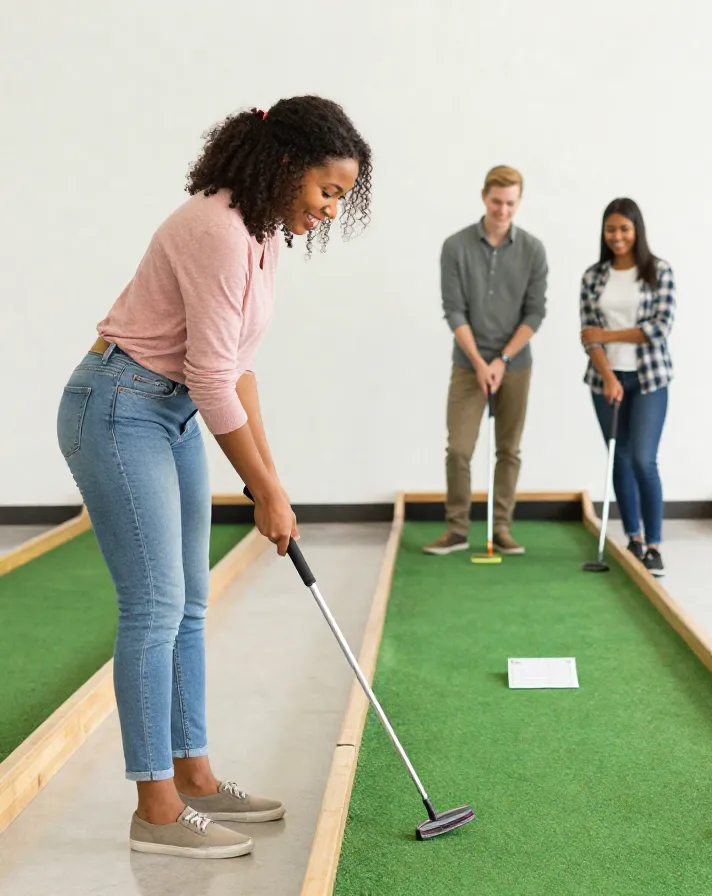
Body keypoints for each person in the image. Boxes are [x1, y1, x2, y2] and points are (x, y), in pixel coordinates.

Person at [56, 97, 373, 859]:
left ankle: (194, 775)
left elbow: (238, 370)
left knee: (190, 602)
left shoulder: (261, 237)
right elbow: (208, 376)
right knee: (155, 604)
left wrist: (275, 483)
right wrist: (262, 490)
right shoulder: (217, 230)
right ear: (288, 167)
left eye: (341, 197)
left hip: (169, 413)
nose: (330, 210)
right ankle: (155, 809)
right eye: (327, 191)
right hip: (117, 406)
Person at [423, 166, 548, 557]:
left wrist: (503, 359)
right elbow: (454, 310)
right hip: (468, 363)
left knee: (508, 449)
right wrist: (480, 362)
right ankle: (457, 530)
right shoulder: (455, 247)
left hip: (516, 364)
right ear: (484, 197)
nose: (502, 210)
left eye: (510, 203)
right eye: (497, 201)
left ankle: (502, 529)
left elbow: (535, 313)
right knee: (459, 448)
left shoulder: (533, 249)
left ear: (518, 202)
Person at [579, 198, 676, 577]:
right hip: (606, 379)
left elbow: (658, 329)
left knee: (643, 460)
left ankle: (654, 545)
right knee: (618, 457)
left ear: (636, 230)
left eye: (624, 229)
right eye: (611, 229)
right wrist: (607, 375)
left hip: (650, 379)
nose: (617, 236)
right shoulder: (593, 276)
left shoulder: (659, 272)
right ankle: (633, 538)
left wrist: (608, 333)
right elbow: (589, 335)